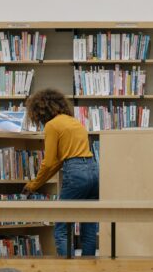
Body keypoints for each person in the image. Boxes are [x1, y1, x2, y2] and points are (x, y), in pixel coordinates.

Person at [23, 88, 99, 257]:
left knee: (62, 227)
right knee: (89, 226)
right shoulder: (74, 122)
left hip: (75, 172)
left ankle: (68, 269)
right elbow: (58, 162)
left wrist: (33, 185)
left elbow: (49, 162)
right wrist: (37, 183)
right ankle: (89, 268)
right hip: (94, 170)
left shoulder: (52, 125)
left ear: (39, 110)